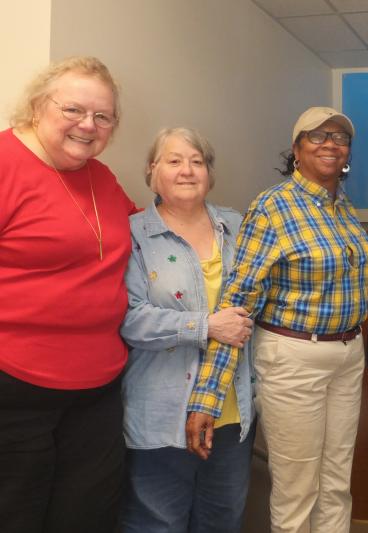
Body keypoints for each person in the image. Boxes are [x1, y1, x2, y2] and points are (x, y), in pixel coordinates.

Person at [185, 107, 368, 533]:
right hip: (294, 357)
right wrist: (208, 395)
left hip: (346, 356)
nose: (330, 143)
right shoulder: (274, 206)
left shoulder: (343, 208)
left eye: (340, 137)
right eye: (317, 136)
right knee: (297, 490)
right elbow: (239, 300)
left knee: (336, 485)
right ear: (296, 148)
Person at [0, 56, 137, 533]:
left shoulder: (101, 177)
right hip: (15, 389)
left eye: (103, 117)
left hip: (98, 388)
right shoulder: (5, 163)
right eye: (74, 110)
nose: (88, 125)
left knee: (89, 515)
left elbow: (142, 235)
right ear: (38, 107)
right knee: (18, 513)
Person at [118, 128, 255, 532]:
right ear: (151, 170)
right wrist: (206, 325)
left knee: (222, 521)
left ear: (209, 173)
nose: (187, 170)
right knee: (156, 522)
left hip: (232, 412)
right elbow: (130, 319)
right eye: (174, 161)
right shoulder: (133, 234)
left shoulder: (237, 226)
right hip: (161, 413)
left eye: (197, 161)